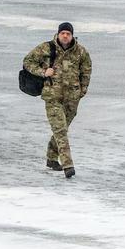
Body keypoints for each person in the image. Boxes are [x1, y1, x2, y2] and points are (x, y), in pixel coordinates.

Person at [22, 23, 91, 179]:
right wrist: (43, 72)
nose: (65, 36)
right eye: (63, 33)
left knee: (63, 129)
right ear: (58, 34)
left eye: (68, 33)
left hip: (72, 98)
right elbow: (28, 61)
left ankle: (51, 158)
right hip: (52, 97)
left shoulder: (81, 52)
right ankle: (68, 165)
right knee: (60, 130)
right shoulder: (47, 48)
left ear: (72, 36)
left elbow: (86, 71)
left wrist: (82, 90)